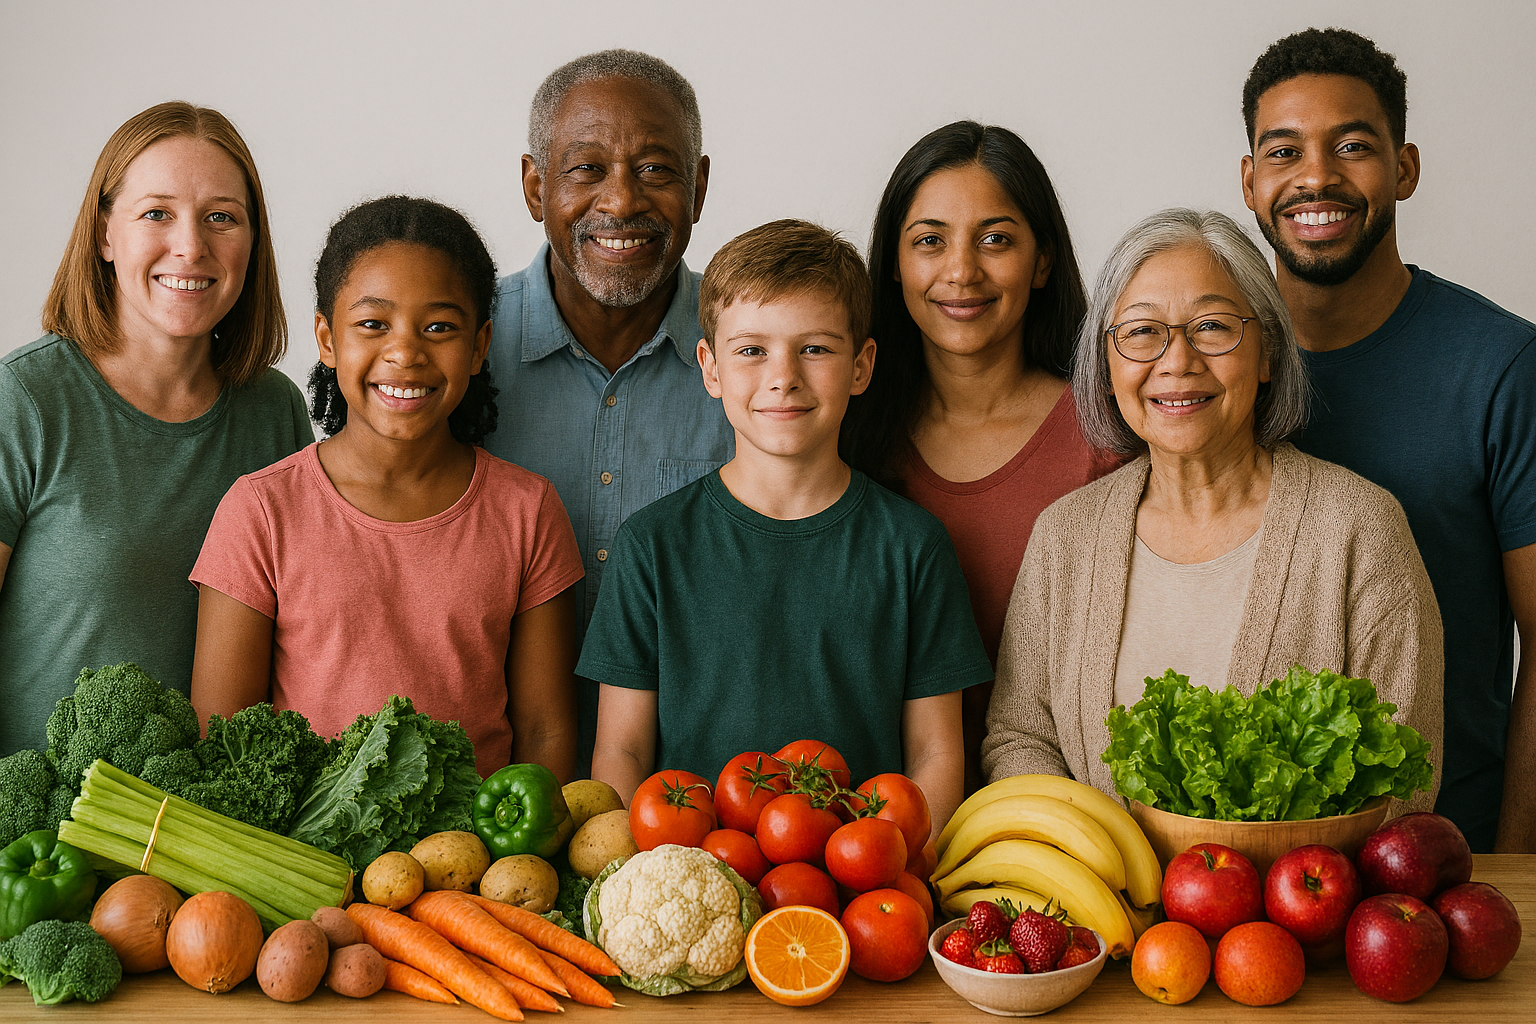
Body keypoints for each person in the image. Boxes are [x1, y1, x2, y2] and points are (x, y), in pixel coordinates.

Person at [982, 208, 1443, 815]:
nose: (1177, 361)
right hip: (1105, 907)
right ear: (1108, 363)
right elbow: (1019, 737)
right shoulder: (1066, 536)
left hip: (1297, 909)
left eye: (1212, 327)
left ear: (1268, 354)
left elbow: (1405, 778)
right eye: (1143, 332)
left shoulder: (1361, 529)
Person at [581, 219, 992, 833]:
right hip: (696, 867)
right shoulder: (652, 547)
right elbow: (622, 752)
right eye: (751, 350)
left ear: (862, 365)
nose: (784, 377)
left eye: (816, 348)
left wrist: (905, 861)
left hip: (857, 884)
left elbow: (935, 755)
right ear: (709, 367)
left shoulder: (913, 547)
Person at [1239, 28, 1536, 851]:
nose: (1317, 177)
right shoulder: (1203, 368)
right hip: (1239, 861)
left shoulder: (1500, 365)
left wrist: (1513, 861)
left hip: (1443, 849)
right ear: (1250, 181)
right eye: (1284, 151)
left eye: (1353, 146)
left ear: (1404, 167)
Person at [189, 196, 584, 781]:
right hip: (306, 863)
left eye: (440, 327)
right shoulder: (261, 511)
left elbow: (545, 732)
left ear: (479, 345)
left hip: (473, 863)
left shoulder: (529, 511)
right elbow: (222, 741)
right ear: (326, 338)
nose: (405, 352)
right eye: (373, 324)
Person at [0, 101, 312, 756]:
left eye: (221, 217)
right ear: (104, 234)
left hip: (203, 832)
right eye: (157, 213)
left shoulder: (275, 412)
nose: (191, 246)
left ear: (252, 243)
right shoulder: (25, 399)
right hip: (35, 843)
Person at [841, 121, 1124, 791]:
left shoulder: (1109, 437)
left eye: (995, 240)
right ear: (894, 263)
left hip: (1064, 817)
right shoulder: (842, 436)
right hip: (868, 832)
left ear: (1043, 261)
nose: (961, 272)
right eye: (930, 242)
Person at [487, 49, 733, 773]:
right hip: (487, 798)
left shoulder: (758, 364)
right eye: (586, 169)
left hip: (700, 794)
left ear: (701, 186)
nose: (622, 201)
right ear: (536, 186)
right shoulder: (453, 355)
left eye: (657, 169)